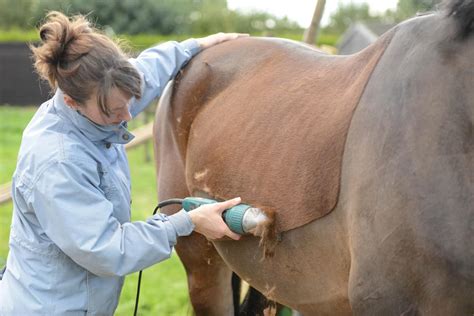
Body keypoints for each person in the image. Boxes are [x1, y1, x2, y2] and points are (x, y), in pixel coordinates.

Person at [0, 11, 246, 315]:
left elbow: (150, 69)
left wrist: (197, 44)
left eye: (129, 102)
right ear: (70, 102)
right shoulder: (58, 162)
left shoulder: (104, 90)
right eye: (113, 112)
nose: (127, 117)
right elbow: (106, 249)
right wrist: (187, 222)